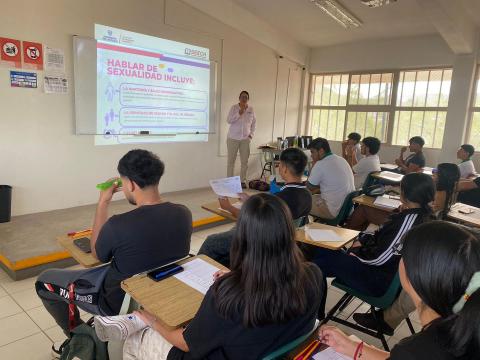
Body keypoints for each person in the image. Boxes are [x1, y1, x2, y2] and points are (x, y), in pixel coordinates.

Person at [95, 194, 324, 360]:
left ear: (242, 237)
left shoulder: (227, 294)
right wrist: (238, 277)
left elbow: (185, 343)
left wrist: (151, 320)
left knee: (138, 338)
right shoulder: (313, 275)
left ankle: (136, 324)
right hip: (268, 350)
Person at [35, 150, 192, 340]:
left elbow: (96, 255)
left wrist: (103, 202)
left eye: (124, 183)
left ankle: (78, 338)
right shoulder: (183, 213)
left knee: (44, 280)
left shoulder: (118, 224)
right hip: (160, 292)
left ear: (131, 184)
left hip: (117, 300)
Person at [319, 221, 480, 359]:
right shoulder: (461, 330)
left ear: (416, 273)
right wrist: (352, 347)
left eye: (402, 254)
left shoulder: (418, 350)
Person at [352, 163, 460, 334]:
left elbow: (383, 254)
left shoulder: (414, 220)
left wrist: (357, 250)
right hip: (403, 269)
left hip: (392, 273)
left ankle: (386, 320)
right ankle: (386, 318)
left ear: (405, 194)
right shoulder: (423, 216)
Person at [312, 173, 434, 318]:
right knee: (321, 253)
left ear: (406, 193)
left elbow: (380, 258)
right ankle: (315, 312)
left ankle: (315, 315)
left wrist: (356, 250)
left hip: (377, 281)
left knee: (317, 264)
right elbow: (381, 235)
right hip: (377, 272)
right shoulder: (419, 216)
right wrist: (362, 239)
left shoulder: (408, 221)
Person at [199, 147, 312, 267]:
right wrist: (250, 200)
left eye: (279, 165)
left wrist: (229, 207)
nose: (278, 167)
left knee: (211, 242)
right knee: (233, 232)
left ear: (284, 168)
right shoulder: (307, 195)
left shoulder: (279, 199)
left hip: (261, 239)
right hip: (282, 241)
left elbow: (253, 221)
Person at [307, 137, 355, 219]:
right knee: (315, 195)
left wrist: (313, 165)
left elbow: (309, 186)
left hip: (332, 211)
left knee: (300, 201)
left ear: (321, 151)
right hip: (347, 209)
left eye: (313, 152)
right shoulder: (341, 159)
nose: (311, 155)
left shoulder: (320, 164)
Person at [226, 90, 256, 188]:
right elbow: (229, 120)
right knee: (231, 162)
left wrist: (251, 134)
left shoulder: (251, 109)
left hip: (245, 140)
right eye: (242, 97)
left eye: (246, 97)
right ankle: (229, 182)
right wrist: (239, 113)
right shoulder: (234, 108)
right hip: (233, 139)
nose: (244, 99)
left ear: (248, 99)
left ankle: (242, 181)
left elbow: (254, 123)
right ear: (239, 98)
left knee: (244, 162)